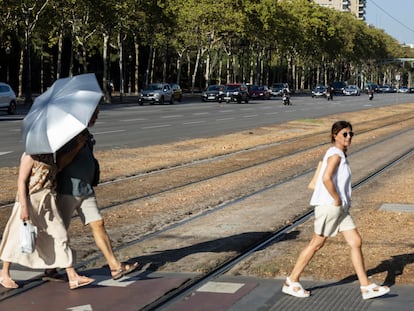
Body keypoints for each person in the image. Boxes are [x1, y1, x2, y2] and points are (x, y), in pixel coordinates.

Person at [282, 121, 390, 300]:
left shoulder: (339, 154)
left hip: (340, 209)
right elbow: (325, 178)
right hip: (330, 206)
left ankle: (366, 286)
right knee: (316, 243)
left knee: (355, 241)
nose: (348, 137)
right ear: (335, 135)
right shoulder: (335, 155)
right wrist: (336, 198)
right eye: (344, 134)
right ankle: (291, 281)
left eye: (350, 134)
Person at [51, 107, 138, 281]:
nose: (97, 117)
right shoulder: (68, 134)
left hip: (85, 189)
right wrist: (78, 145)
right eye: (94, 114)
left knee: (98, 223)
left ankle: (114, 266)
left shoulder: (84, 133)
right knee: (59, 231)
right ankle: (51, 267)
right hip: (68, 189)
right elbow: (60, 163)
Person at [0, 148, 94, 290]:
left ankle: (72, 276)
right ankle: (4, 273)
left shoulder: (50, 156)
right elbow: (21, 181)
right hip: (30, 201)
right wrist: (24, 208)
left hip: (47, 202)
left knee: (60, 235)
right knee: (16, 236)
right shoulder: (30, 155)